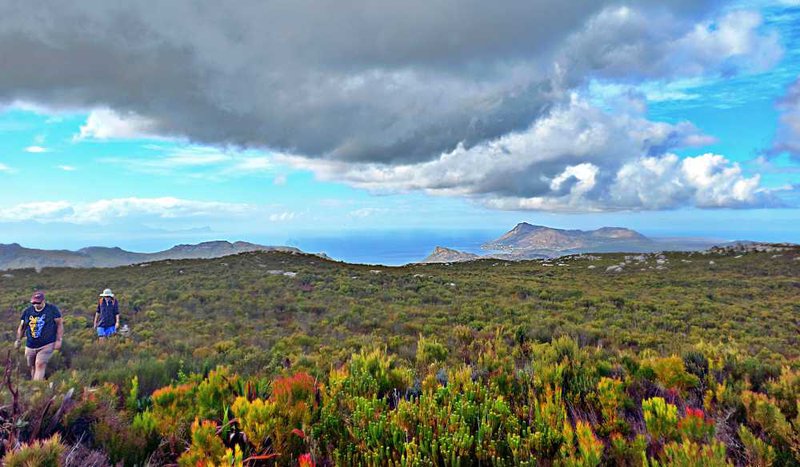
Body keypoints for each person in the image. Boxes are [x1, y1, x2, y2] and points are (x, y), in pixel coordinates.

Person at [15, 291, 63, 381]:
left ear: (43, 301)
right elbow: (22, 327)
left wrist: (59, 340)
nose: (36, 305)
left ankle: (36, 387)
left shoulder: (52, 309)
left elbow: (59, 324)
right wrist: (18, 340)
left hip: (47, 344)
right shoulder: (27, 312)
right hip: (30, 345)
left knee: (40, 364)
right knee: (32, 366)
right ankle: (36, 383)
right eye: (34, 303)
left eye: (38, 302)